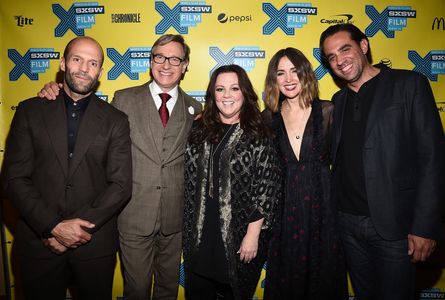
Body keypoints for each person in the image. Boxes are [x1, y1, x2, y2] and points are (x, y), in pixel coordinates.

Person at [38, 34, 203, 299]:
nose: (166, 64)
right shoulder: (123, 99)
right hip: (133, 216)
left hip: (175, 220)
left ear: (185, 66)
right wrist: (56, 92)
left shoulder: (196, 109)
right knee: (135, 291)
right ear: (150, 62)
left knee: (168, 290)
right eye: (159, 57)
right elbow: (89, 137)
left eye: (175, 59)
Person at [319, 23, 445, 300]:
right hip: (347, 223)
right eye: (331, 57)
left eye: (345, 49)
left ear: (363, 46)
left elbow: (433, 158)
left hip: (395, 227)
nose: (340, 60)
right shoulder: (337, 102)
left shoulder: (409, 85)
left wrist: (425, 227)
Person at [1, 36, 132, 299]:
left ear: (101, 72)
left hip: (94, 247)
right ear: (62, 63)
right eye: (77, 59)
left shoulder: (116, 120)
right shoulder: (30, 111)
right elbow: (14, 178)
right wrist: (53, 226)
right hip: (39, 243)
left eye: (93, 63)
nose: (84, 68)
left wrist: (75, 231)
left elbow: (120, 185)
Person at [182, 64, 281, 300]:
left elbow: (268, 187)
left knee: (234, 292)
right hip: (200, 231)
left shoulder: (258, 132)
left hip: (238, 234)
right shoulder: (199, 128)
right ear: (212, 94)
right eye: (220, 89)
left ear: (244, 93)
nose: (227, 95)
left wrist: (253, 234)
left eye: (234, 88)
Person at [262, 48, 347, 299]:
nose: (288, 79)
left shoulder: (328, 111)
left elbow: (347, 161)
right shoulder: (269, 117)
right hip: (285, 213)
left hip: (324, 210)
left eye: (294, 71)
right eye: (281, 73)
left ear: (305, 74)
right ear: (273, 79)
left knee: (325, 277)